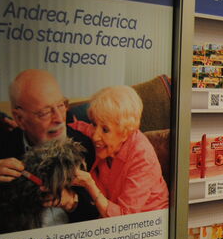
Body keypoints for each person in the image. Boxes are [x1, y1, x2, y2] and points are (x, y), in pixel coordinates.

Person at [0, 69, 98, 229]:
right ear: (20, 119)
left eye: (61, 105)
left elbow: (99, 219)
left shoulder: (86, 145)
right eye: (44, 112)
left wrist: (73, 202)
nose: (58, 119)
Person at [70, 86, 169, 217]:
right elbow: (78, 127)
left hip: (146, 223)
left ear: (125, 132)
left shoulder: (142, 157)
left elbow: (124, 218)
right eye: (94, 124)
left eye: (105, 130)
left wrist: (89, 185)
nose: (95, 136)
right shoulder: (103, 135)